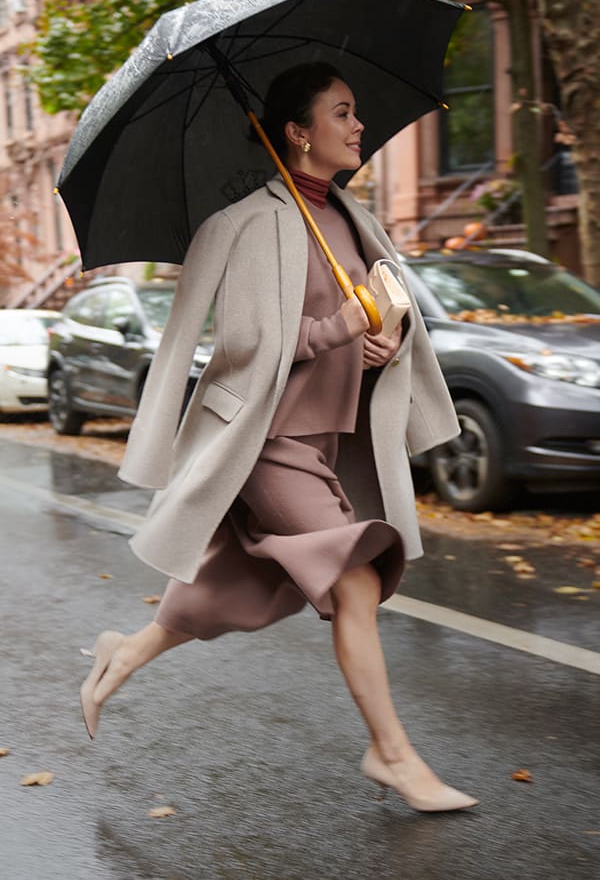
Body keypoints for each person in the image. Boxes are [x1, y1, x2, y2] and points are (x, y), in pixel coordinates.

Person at [80, 62, 479, 813]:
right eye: (342, 113)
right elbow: (241, 342)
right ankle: (391, 754)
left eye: (356, 112)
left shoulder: (353, 219)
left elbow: (373, 317)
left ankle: (122, 650)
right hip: (265, 443)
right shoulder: (246, 223)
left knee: (230, 580)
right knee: (355, 579)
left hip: (326, 439)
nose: (358, 125)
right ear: (297, 133)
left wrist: (378, 346)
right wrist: (337, 328)